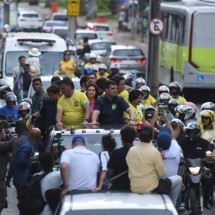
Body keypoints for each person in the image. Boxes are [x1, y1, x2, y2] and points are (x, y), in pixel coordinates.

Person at [126, 125, 182, 206]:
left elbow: (129, 163)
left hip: (134, 188)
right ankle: (172, 205)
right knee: (178, 179)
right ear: (152, 138)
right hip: (152, 189)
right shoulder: (155, 152)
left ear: (139, 137)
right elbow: (162, 172)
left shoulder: (131, 150)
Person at [46, 135, 100, 214]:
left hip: (73, 194)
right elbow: (98, 172)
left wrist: (66, 188)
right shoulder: (95, 155)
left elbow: (64, 166)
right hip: (91, 193)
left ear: (72, 145)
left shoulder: (67, 152)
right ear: (85, 145)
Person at [179, 122, 215, 209]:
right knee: (180, 179)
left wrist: (210, 154)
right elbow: (178, 150)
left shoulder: (204, 143)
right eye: (188, 132)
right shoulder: (182, 142)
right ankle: (182, 200)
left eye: (192, 132)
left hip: (201, 167)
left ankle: (207, 199)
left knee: (209, 177)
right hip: (187, 167)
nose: (190, 134)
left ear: (197, 132)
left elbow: (211, 148)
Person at [108, 125, 137, 190]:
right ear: (134, 138)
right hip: (135, 188)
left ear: (122, 138)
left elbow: (110, 173)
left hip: (118, 188)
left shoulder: (115, 153)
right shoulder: (139, 153)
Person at [5, 120, 30, 188]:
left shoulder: (17, 142)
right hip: (33, 176)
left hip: (21, 177)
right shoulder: (34, 138)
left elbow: (13, 161)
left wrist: (9, 177)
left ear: (17, 129)